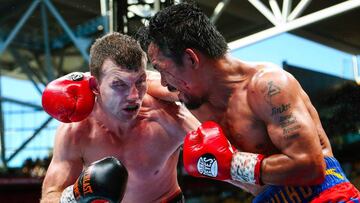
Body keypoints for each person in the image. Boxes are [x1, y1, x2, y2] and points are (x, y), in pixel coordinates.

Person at [137, 3, 360, 202]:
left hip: (326, 196)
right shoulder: (190, 92)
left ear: (191, 58)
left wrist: (233, 164)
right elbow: (137, 81)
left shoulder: (270, 87)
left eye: (163, 70)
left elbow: (310, 166)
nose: (165, 83)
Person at [41, 32, 200, 203]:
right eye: (119, 84)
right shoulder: (76, 131)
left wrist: (233, 165)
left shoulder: (168, 118)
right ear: (95, 86)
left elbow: (226, 156)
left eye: (140, 82)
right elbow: (51, 194)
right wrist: (73, 197)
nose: (133, 96)